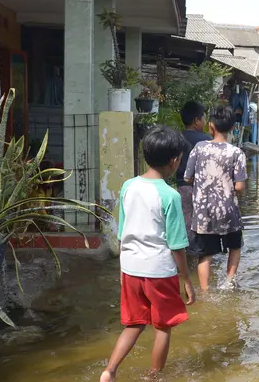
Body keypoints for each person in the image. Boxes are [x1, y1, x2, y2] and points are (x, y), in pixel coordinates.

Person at [100, 126, 195, 382]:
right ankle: (153, 378)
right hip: (159, 271)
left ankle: (109, 371)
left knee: (134, 324)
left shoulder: (129, 186)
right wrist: (187, 280)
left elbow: (122, 232)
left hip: (131, 267)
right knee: (163, 328)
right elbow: (177, 245)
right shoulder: (170, 195)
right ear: (175, 160)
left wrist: (122, 271)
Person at [184, 105, 247, 291]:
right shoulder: (236, 153)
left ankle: (205, 292)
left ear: (211, 126)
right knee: (235, 246)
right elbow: (240, 186)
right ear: (232, 127)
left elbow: (187, 177)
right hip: (228, 210)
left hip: (203, 212)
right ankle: (229, 282)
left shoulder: (199, 148)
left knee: (205, 254)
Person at [175, 101, 212, 252]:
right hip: (201, 188)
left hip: (181, 187)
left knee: (185, 222)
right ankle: (201, 256)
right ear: (197, 120)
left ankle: (186, 256)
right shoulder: (206, 140)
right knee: (202, 223)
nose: (205, 122)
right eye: (204, 119)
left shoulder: (176, 137)